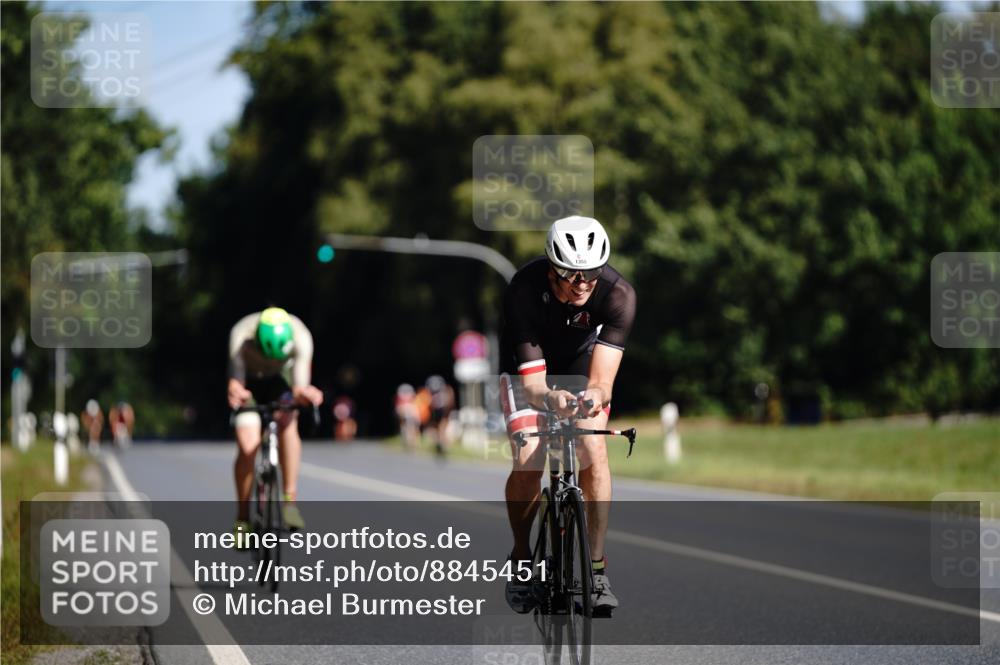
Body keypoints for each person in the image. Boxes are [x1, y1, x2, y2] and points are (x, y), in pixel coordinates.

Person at [499, 215, 636, 614]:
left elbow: (602, 382)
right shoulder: (523, 290)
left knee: (594, 451)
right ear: (551, 269)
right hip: (527, 372)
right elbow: (533, 386)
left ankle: (596, 569)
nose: (582, 283)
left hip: (580, 371)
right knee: (529, 458)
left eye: (591, 274)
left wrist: (592, 397)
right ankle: (523, 559)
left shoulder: (618, 295)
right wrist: (550, 398)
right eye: (571, 274)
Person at [227, 307, 323, 537]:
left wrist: (308, 395)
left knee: (289, 419)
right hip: (249, 382)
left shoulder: (301, 336)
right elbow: (236, 381)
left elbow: (298, 388)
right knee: (248, 446)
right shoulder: (241, 334)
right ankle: (243, 518)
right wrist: (235, 391)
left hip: (279, 380)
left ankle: (289, 501)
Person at [424, 375, 455, 456]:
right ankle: (441, 443)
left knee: (440, 427)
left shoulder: (435, 391)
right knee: (439, 427)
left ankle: (441, 443)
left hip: (439, 411)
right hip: (439, 411)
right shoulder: (445, 390)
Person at [394, 383, 420, 451]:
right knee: (405, 427)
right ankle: (408, 442)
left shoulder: (412, 400)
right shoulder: (400, 399)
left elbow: (415, 406)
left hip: (411, 414)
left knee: (413, 428)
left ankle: (413, 443)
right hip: (405, 414)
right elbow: (399, 408)